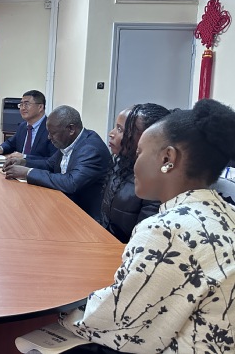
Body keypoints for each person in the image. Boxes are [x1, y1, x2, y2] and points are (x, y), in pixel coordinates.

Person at [59, 99, 235, 353]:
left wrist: (60, 314)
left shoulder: (167, 230)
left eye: (140, 153)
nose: (134, 162)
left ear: (168, 158)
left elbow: (118, 321)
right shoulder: (225, 211)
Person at [3, 105, 110, 219]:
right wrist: (23, 162)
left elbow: (71, 183)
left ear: (71, 129)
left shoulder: (91, 149)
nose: (49, 137)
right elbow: (49, 164)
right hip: (65, 206)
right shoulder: (70, 142)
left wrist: (27, 172)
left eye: (53, 133)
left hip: (86, 217)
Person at [100, 103, 170, 242]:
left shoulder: (156, 183)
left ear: (146, 137)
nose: (111, 133)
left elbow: (143, 240)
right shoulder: (121, 164)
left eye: (120, 129)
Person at [0, 90, 57, 161]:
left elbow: (53, 161)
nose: (23, 108)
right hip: (17, 166)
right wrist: (1, 148)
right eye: (21, 105)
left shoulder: (52, 129)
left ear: (40, 107)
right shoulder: (23, 126)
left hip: (36, 168)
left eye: (27, 104)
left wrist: (25, 157)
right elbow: (11, 143)